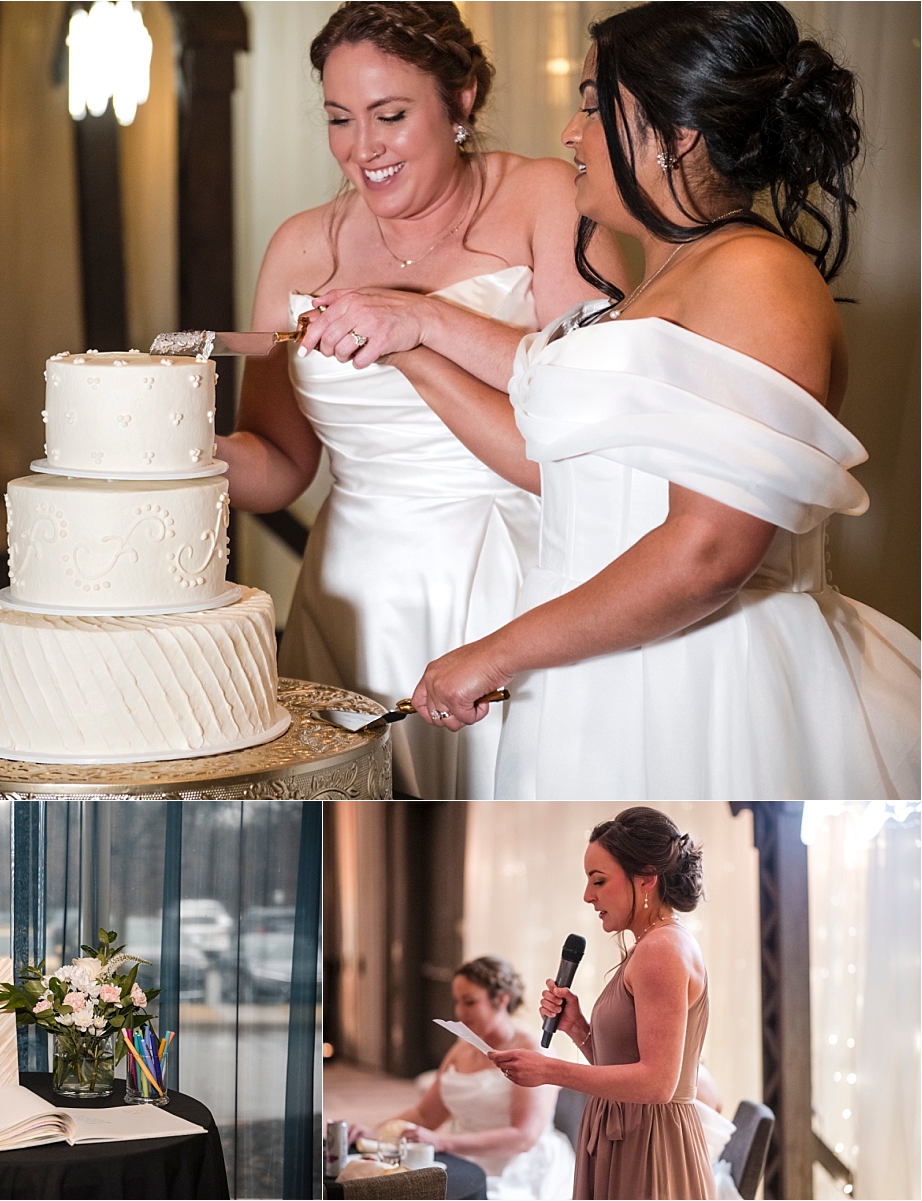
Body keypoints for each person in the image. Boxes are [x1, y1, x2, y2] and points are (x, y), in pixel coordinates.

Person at [382, 0, 919, 798]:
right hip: (590, 669)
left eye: (594, 105)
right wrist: (411, 339)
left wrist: (496, 650)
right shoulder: (667, 279)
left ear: (678, 134)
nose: (570, 131)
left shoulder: (754, 277)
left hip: (702, 683)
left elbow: (707, 553)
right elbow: (553, 438)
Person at [217, 1, 625, 799]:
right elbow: (279, 466)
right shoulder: (300, 245)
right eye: (340, 119)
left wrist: (426, 331)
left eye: (390, 115)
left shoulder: (550, 201)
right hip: (352, 594)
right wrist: (169, 448)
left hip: (516, 576)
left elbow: (599, 436)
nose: (362, 149)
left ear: (462, 96)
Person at [489, 808, 713, 1200]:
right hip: (631, 1133)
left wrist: (549, 1070)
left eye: (599, 880)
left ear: (645, 879)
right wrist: (576, 1026)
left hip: (650, 1146)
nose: (588, 895)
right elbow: (626, 1066)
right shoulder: (649, 945)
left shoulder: (661, 950)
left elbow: (657, 1084)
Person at [351, 956, 575, 1200]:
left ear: (501, 1000)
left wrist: (443, 1143)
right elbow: (425, 1114)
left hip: (521, 1167)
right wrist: (373, 1132)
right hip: (463, 1158)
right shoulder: (461, 1048)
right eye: (457, 1001)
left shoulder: (533, 1048)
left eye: (469, 1002)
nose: (460, 1012)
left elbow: (524, 1137)